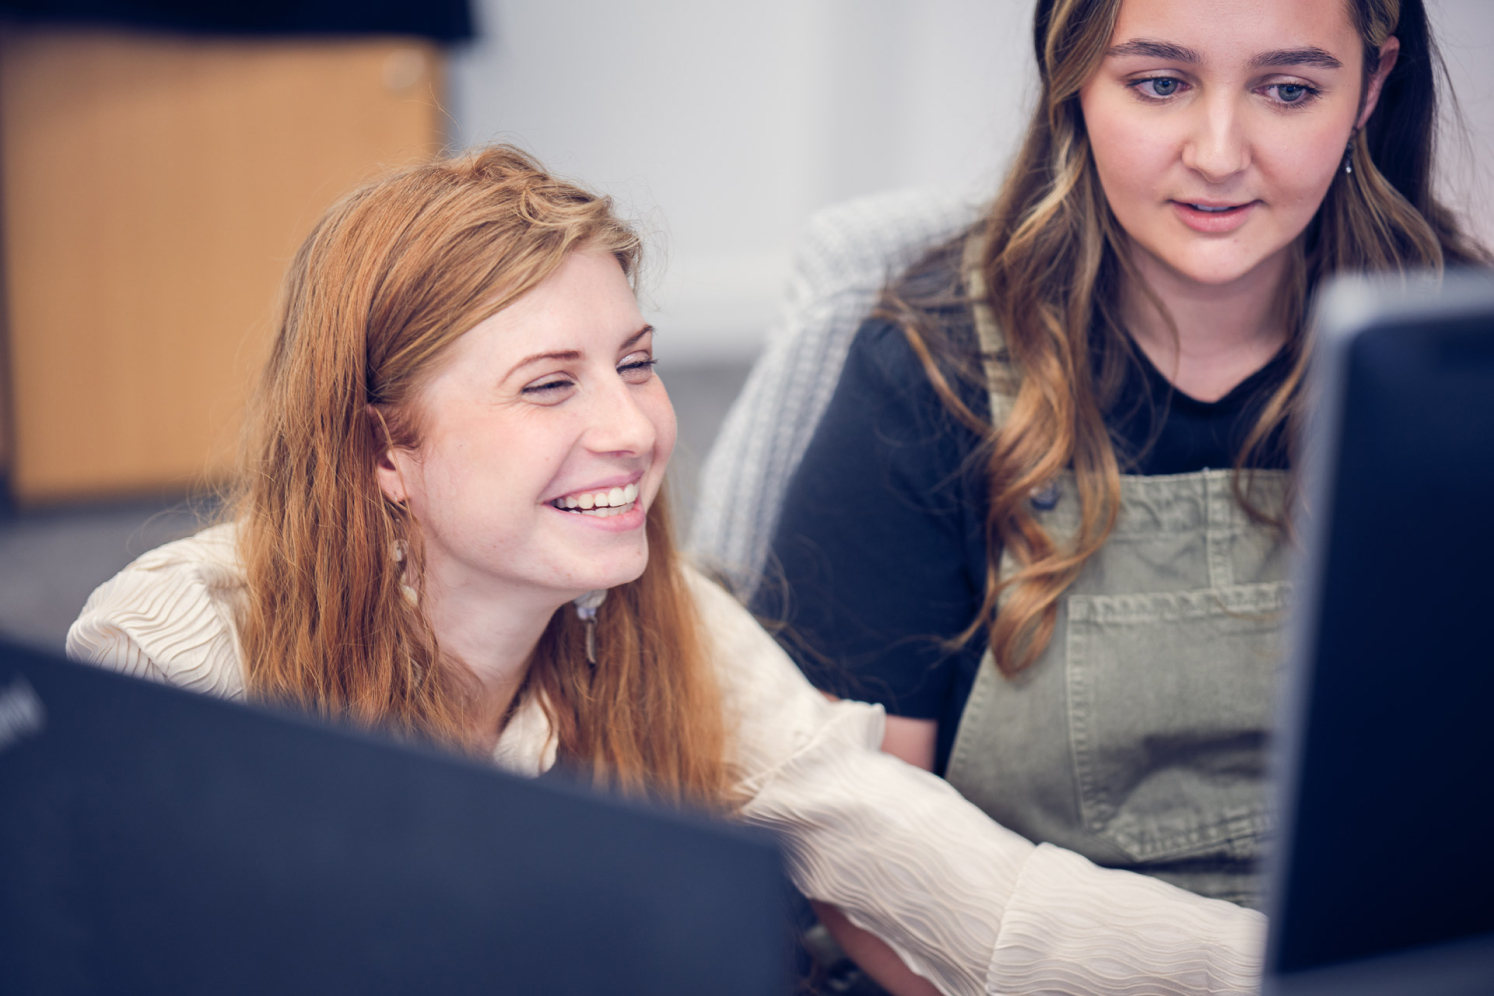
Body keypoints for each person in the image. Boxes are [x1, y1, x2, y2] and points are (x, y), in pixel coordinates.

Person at [68, 146, 1275, 995]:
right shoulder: (177, 650)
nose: (636, 428)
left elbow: (988, 905)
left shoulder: (671, 631)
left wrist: (1289, 969)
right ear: (387, 446)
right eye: (550, 384)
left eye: (635, 364)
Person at [712, 0, 1489, 988]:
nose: (1218, 154)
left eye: (1288, 91)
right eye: (1159, 83)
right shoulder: (932, 371)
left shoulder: (1461, 367)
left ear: (1372, 87)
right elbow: (863, 860)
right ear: (1072, 74)